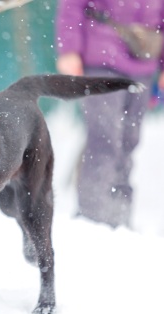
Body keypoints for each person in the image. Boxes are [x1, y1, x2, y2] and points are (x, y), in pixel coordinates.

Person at [55, 0, 164, 228]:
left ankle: (119, 218)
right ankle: (93, 219)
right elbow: (71, 7)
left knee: (128, 141)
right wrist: (70, 51)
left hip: (144, 64)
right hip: (101, 60)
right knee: (104, 140)